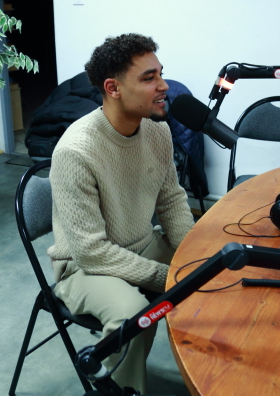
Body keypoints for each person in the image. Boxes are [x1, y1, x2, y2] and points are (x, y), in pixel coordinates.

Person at [47, 33, 194, 394]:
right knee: (133, 315)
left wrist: (193, 258)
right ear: (113, 88)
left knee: (212, 268)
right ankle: (122, 389)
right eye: (149, 78)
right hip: (83, 267)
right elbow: (91, 252)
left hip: (141, 245)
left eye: (160, 74)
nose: (163, 86)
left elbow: (171, 201)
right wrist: (169, 278)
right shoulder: (75, 152)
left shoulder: (157, 131)